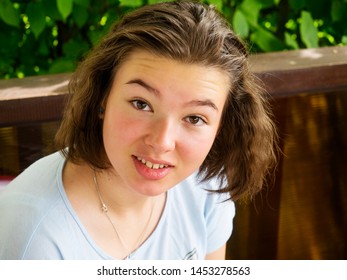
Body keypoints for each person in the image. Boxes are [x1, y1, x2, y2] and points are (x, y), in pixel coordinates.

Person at [0, 0, 277, 260]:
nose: (162, 142)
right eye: (141, 103)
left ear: (221, 127)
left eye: (194, 119)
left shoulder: (205, 185)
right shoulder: (34, 236)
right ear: (102, 98)